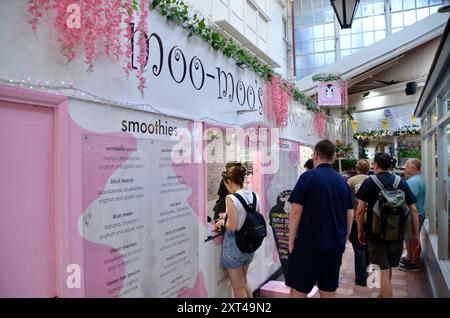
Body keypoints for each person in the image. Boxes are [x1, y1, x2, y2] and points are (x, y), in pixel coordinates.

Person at [287, 140, 354, 298]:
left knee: (298, 291)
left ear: (316, 154)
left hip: (308, 246)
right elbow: (349, 213)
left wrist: (290, 241)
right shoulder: (342, 182)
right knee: (328, 291)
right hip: (334, 246)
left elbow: (295, 212)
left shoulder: (307, 177)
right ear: (332, 157)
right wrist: (344, 238)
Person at [356, 153, 420, 298]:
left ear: (376, 165)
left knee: (382, 271)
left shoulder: (369, 182)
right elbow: (413, 209)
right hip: (396, 233)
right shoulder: (401, 181)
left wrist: (360, 231)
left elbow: (360, 211)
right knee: (387, 267)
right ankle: (382, 294)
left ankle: (385, 294)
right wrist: (415, 234)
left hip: (375, 234)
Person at [216, 162, 260, 298]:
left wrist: (223, 222)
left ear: (229, 182)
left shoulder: (231, 198)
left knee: (237, 287)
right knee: (244, 281)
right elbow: (249, 218)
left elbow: (233, 226)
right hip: (249, 246)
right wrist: (229, 216)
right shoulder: (254, 196)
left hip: (235, 248)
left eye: (225, 183)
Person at [398, 158, 426, 272]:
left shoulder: (413, 182)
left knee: (412, 238)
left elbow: (409, 201)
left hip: (414, 214)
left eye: (407, 165)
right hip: (419, 212)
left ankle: (414, 263)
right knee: (412, 237)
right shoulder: (420, 178)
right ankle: (410, 258)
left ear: (414, 168)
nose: (405, 168)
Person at [347, 159, 371, 286]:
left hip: (357, 217)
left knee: (358, 246)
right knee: (366, 245)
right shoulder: (372, 180)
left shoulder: (351, 181)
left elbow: (348, 200)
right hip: (371, 218)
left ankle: (361, 276)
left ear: (357, 168)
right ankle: (366, 269)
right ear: (368, 169)